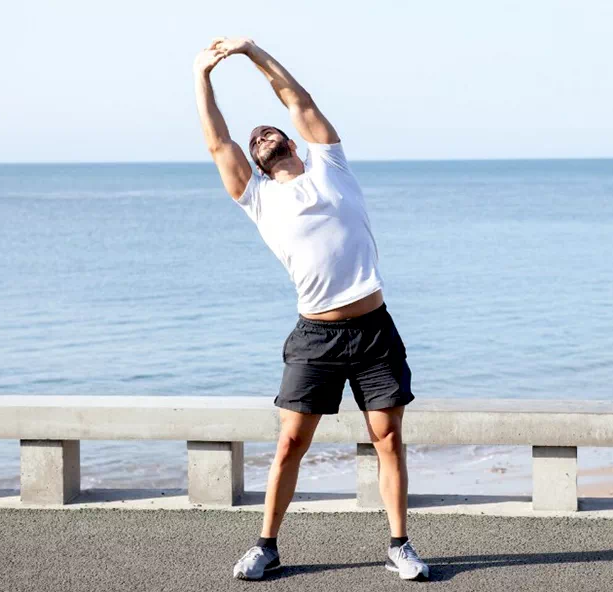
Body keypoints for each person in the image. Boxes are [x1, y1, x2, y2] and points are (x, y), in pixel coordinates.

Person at [193, 37, 429, 582]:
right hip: (315, 337)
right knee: (291, 443)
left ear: (293, 142)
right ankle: (266, 544)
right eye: (256, 139)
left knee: (387, 437)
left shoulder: (331, 164)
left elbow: (297, 100)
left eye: (270, 130)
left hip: (374, 331)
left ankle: (399, 544)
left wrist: (252, 53)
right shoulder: (256, 196)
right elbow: (217, 142)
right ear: (256, 160)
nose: (262, 134)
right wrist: (203, 77)